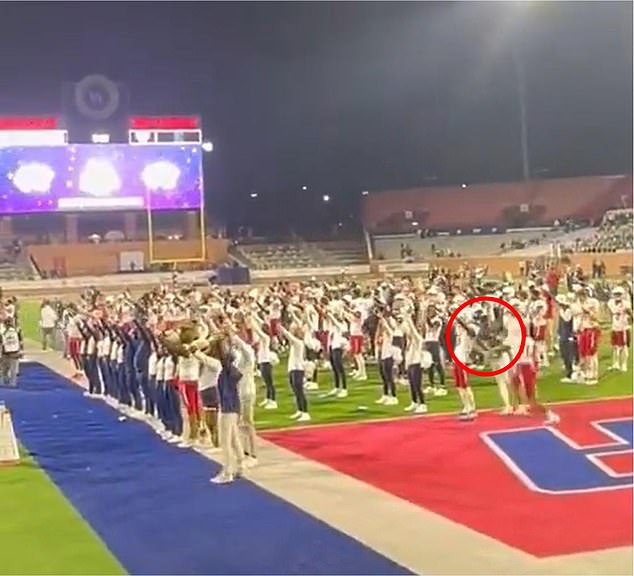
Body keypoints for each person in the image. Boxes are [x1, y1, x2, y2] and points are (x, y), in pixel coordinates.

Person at [0, 318, 22, 387]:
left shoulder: (2, 332)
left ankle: (4, 383)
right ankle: (12, 384)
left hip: (6, 353)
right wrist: (20, 351)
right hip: (14, 352)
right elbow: (20, 342)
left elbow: (1, 343)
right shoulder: (17, 331)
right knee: (13, 370)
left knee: (4, 370)